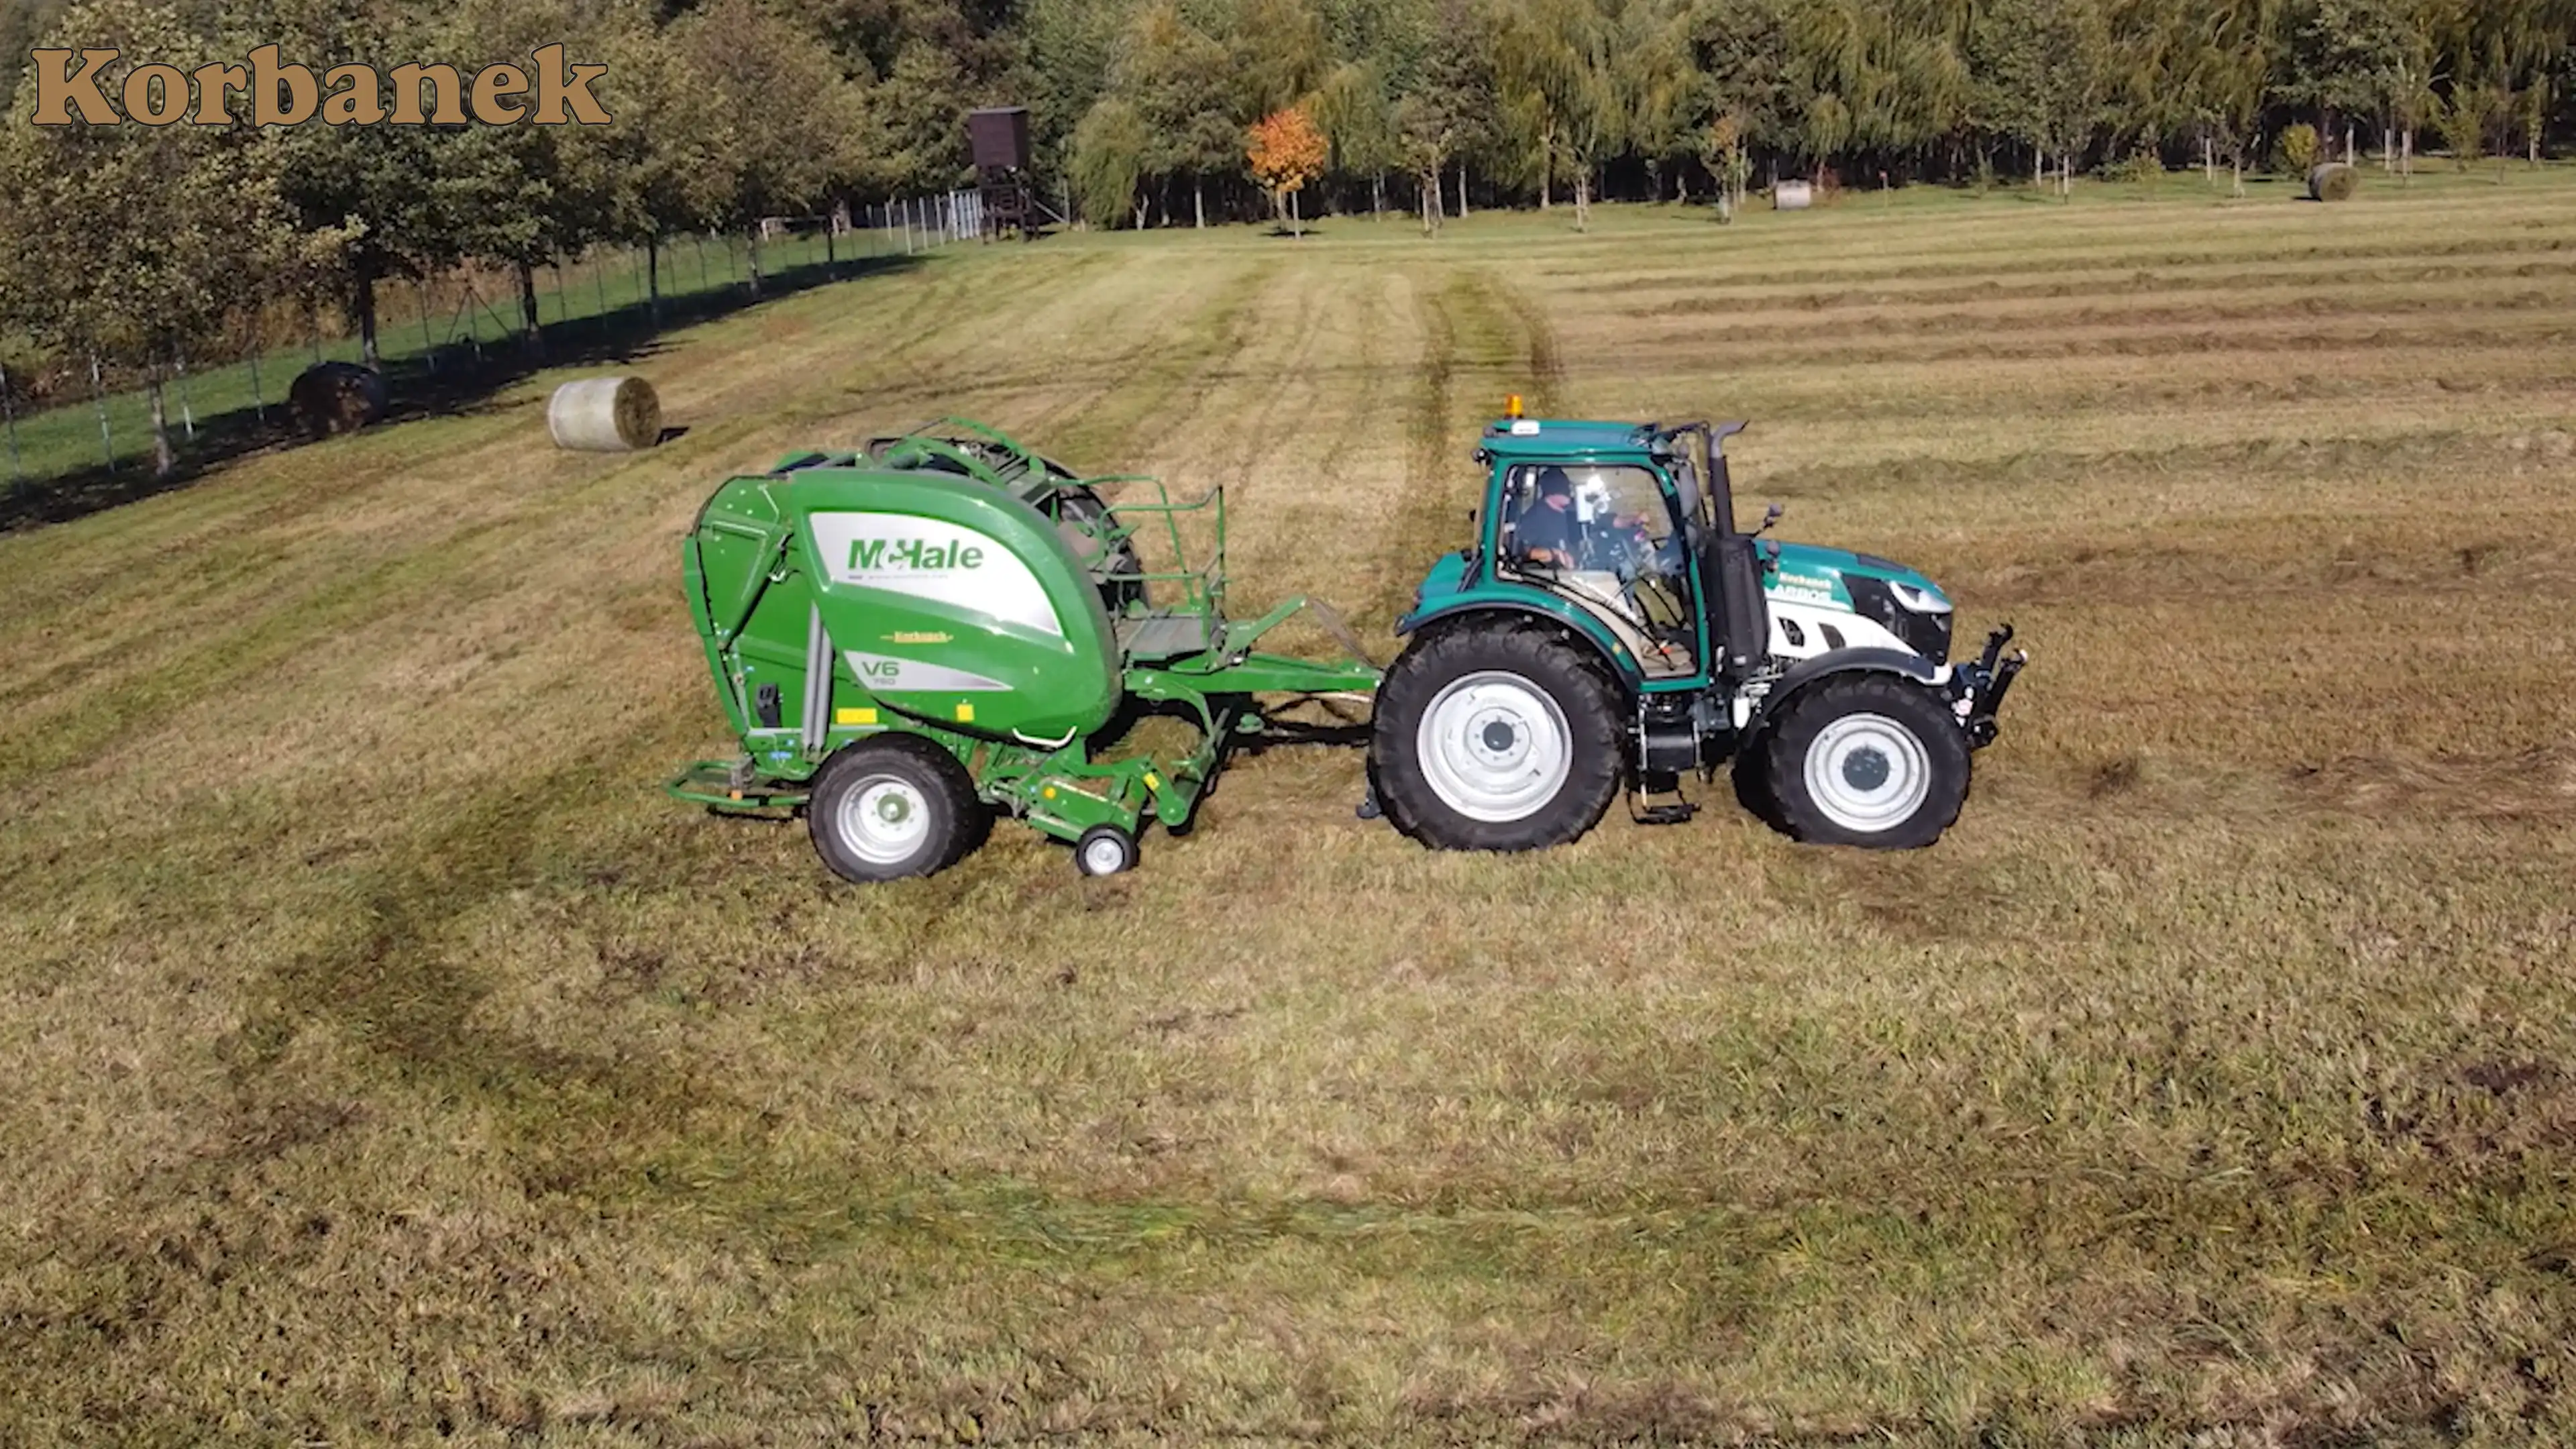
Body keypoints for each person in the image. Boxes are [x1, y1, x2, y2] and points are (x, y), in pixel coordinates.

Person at [1514, 467, 1581, 568]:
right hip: (1546, 574)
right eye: (1563, 488)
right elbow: (1521, 551)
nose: (1569, 493)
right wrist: (1553, 554)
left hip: (1578, 573)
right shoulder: (1535, 516)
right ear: (1551, 493)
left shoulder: (1573, 514)